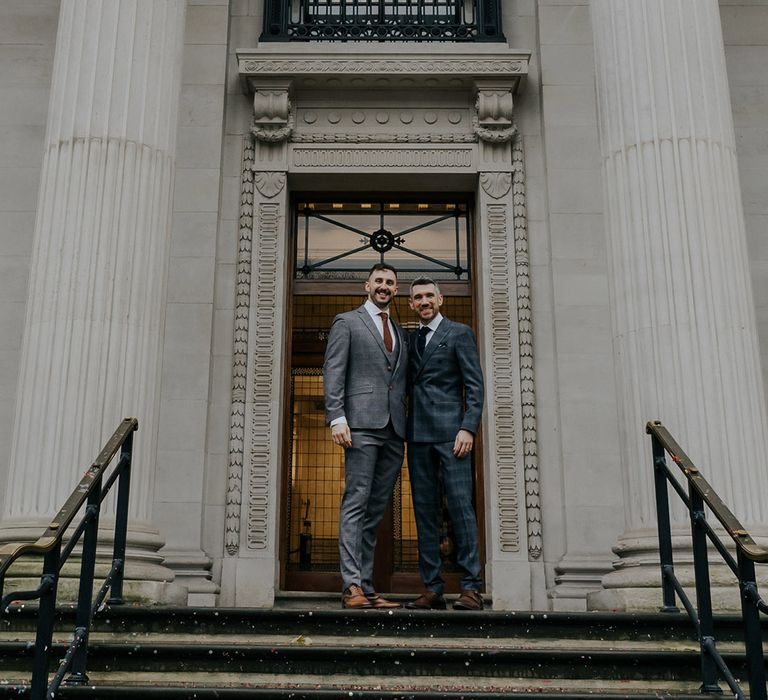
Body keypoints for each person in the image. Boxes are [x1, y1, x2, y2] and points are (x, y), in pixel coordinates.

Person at [323, 262, 408, 609]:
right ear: (366, 286)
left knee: (376, 509)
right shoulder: (347, 322)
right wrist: (336, 417)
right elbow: (334, 370)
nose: (384, 286)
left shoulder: (400, 331)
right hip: (359, 425)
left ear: (396, 289)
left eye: (390, 281)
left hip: (394, 430)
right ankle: (351, 587)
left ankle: (368, 586)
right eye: (379, 281)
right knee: (356, 503)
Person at [405, 277, 485, 611]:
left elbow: (475, 385)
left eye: (428, 295)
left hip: (453, 435)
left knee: (460, 508)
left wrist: (468, 427)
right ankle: (433, 588)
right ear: (411, 304)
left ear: (441, 299)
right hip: (418, 435)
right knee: (425, 512)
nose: (424, 301)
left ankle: (470, 588)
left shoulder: (460, 333)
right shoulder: (409, 340)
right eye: (417, 297)